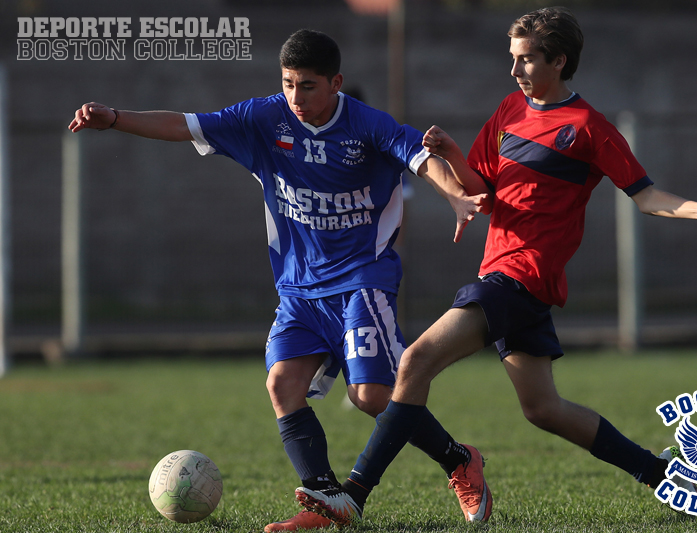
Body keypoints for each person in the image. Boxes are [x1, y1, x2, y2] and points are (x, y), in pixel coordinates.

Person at [295, 7, 697, 527]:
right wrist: (451, 154)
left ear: (559, 60)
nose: (515, 70)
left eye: (527, 59)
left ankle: (354, 494)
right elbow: (483, 193)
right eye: (512, 58)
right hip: (507, 275)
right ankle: (663, 477)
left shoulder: (587, 127)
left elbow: (645, 195)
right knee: (543, 409)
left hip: (521, 277)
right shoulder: (510, 110)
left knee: (414, 362)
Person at [69, 29, 492, 532]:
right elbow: (184, 125)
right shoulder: (263, 118)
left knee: (371, 398)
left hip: (363, 280)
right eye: (289, 84)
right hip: (297, 291)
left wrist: (454, 197)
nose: (296, 97)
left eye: (308, 86)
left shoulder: (367, 126)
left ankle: (460, 461)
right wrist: (116, 118)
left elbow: (424, 162)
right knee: (282, 382)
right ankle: (328, 497)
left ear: (336, 83)